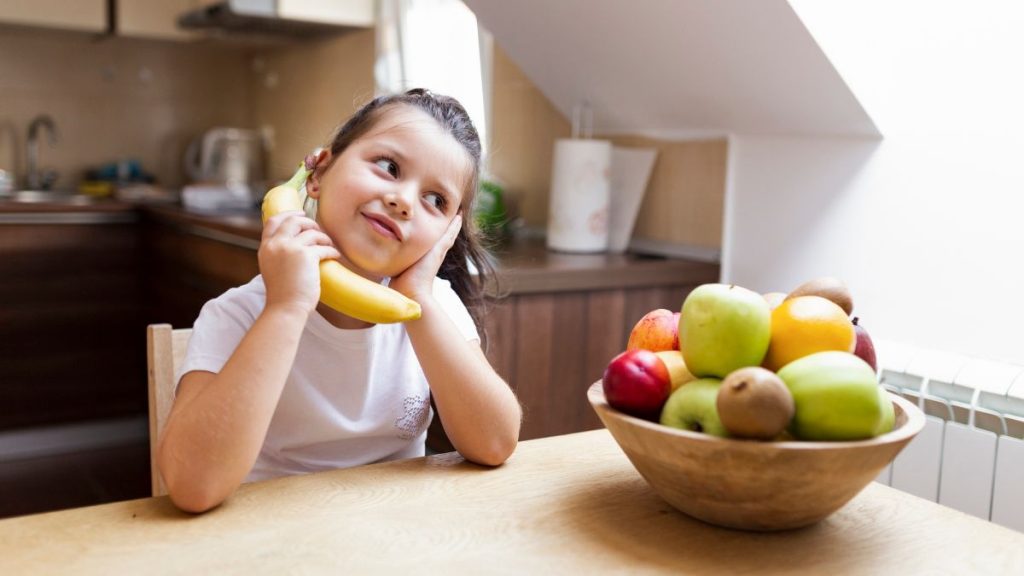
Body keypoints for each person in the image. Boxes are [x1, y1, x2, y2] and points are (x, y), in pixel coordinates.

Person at [157, 88, 522, 513]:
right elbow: (191, 486)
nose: (403, 201)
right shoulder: (239, 313)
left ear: (448, 233)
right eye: (389, 167)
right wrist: (287, 307)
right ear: (319, 172)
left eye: (435, 200)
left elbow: (495, 443)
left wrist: (419, 298)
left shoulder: (432, 305)